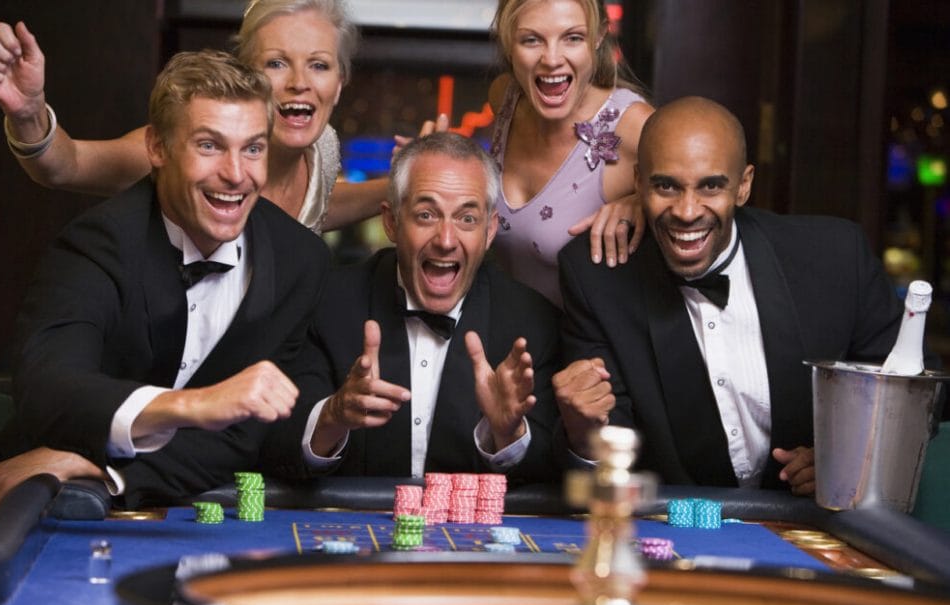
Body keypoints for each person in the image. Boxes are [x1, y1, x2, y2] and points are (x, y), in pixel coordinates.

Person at [0, 50, 330, 524]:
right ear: (157, 148)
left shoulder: (302, 259)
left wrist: (104, 473)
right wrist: (195, 405)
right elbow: (47, 388)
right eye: (210, 145)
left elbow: (241, 437)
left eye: (253, 148)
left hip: (158, 507)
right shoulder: (100, 242)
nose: (237, 174)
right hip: (17, 504)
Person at [552, 96, 940, 495]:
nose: (687, 210)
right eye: (666, 186)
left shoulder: (835, 257)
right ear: (638, 183)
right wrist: (583, 433)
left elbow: (916, 392)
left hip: (813, 525)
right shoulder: (597, 277)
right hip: (674, 531)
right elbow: (605, 449)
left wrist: (848, 455)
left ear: (744, 185)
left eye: (711, 186)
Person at [260, 132, 561, 484]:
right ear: (391, 222)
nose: (446, 240)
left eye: (467, 219)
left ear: (490, 230)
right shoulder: (326, 303)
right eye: (426, 215)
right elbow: (273, 446)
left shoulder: (533, 323)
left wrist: (507, 435)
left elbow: (553, 476)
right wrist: (333, 416)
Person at [0, 0, 384, 233]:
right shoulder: (187, 145)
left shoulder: (324, 148)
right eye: (277, 63)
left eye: (319, 65)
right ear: (244, 75)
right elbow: (66, 166)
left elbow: (315, 210)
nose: (300, 82)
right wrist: (28, 112)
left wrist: (404, 184)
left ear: (341, 80)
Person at [486, 0, 654, 307]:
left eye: (573, 38)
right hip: (508, 341)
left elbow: (705, 200)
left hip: (588, 350)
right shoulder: (504, 99)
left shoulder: (633, 126)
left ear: (599, 35)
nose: (551, 59)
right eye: (532, 39)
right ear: (509, 40)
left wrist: (648, 200)